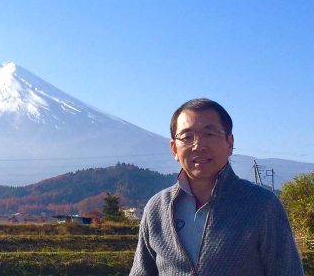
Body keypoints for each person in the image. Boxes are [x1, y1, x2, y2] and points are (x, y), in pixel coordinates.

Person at [130, 98, 304, 276]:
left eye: (209, 134)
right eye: (187, 137)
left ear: (230, 143)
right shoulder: (157, 208)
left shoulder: (262, 205)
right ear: (174, 149)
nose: (198, 145)